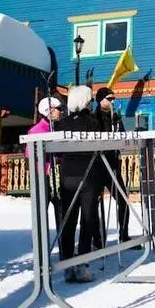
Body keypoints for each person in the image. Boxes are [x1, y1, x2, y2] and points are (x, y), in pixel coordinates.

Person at [57, 85, 102, 283]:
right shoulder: (93, 121)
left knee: (68, 220)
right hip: (88, 175)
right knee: (87, 220)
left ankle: (67, 264)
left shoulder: (62, 123)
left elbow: (57, 151)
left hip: (68, 175)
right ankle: (82, 265)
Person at [92, 87, 140, 250]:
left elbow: (123, 136)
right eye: (109, 99)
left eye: (113, 99)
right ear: (100, 100)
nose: (112, 102)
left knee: (123, 199)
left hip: (112, 165)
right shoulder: (94, 118)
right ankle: (97, 239)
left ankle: (124, 235)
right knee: (93, 203)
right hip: (97, 165)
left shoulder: (116, 117)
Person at [26, 95, 66, 259]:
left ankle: (64, 248)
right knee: (41, 214)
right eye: (59, 109)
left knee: (61, 213)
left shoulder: (53, 129)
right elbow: (30, 153)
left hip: (55, 176)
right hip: (42, 177)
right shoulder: (37, 130)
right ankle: (40, 251)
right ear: (48, 111)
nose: (61, 112)